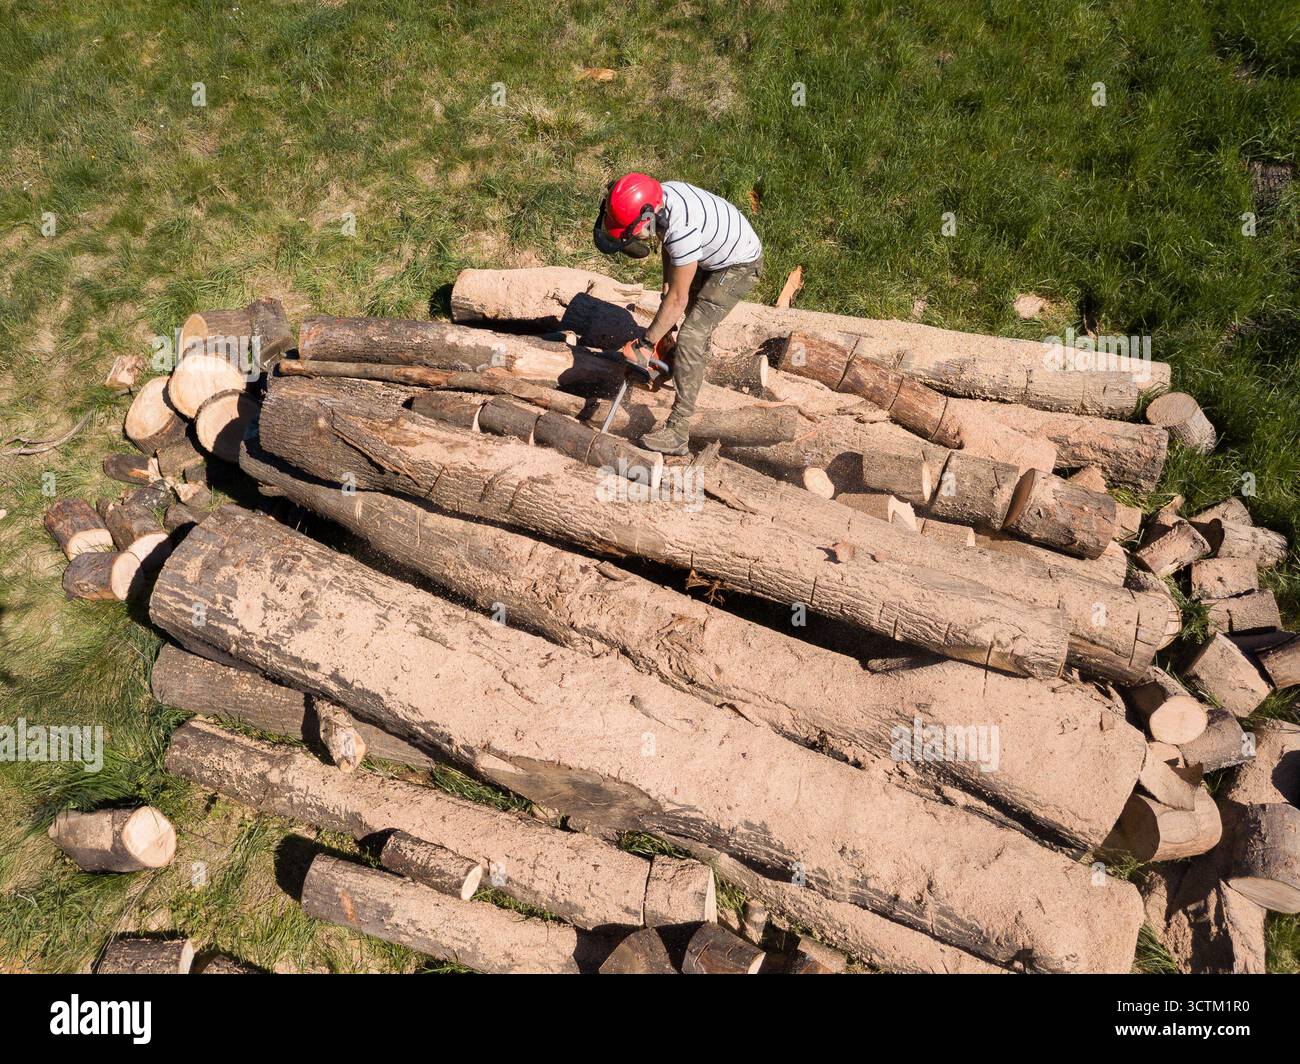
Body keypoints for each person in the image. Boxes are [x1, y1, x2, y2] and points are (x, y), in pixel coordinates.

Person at [594, 173, 763, 455]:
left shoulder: (681, 227)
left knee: (693, 334)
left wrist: (646, 345)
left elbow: (678, 296)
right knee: (678, 323)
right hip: (710, 251)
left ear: (647, 216)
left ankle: (678, 431)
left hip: (739, 265)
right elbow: (670, 257)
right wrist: (664, 314)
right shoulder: (660, 199)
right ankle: (682, 364)